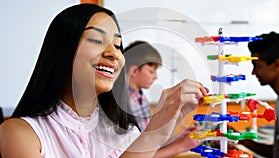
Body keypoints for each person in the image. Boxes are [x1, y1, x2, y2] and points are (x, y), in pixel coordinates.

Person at [0, 4, 208, 158]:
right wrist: (154, 134)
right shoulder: (19, 133)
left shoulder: (125, 132)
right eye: (96, 40)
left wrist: (163, 132)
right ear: (62, 50)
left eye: (118, 45)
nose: (114, 54)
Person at [124, 41, 199, 157]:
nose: (156, 76)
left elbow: (152, 140)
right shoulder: (124, 103)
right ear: (134, 71)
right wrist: (180, 146)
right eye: (151, 71)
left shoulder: (140, 97)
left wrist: (178, 137)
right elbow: (139, 153)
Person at [234, 31, 279, 158]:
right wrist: (241, 139)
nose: (253, 72)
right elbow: (278, 152)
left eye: (257, 66)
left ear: (277, 65)